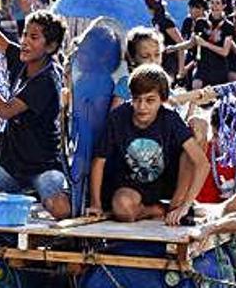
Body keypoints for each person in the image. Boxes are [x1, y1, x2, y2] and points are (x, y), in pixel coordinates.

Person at [0, 0, 71, 219]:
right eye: (24, 35)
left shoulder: (47, 81)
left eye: (33, 38)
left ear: (50, 47)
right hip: (13, 165)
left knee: (59, 208)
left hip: (43, 164)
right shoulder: (22, 59)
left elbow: (4, 111)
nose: (24, 42)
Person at [88, 64, 208, 224]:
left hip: (165, 182)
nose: (142, 107)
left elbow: (202, 164)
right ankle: (156, 210)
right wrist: (95, 204)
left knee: (197, 131)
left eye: (150, 100)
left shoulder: (170, 119)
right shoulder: (118, 117)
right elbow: (99, 161)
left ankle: (175, 205)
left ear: (162, 100)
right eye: (137, 100)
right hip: (130, 184)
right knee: (123, 209)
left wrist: (185, 206)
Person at [195, 104, 236, 204]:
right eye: (214, 135)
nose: (213, 140)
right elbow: (205, 200)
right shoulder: (207, 152)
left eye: (218, 136)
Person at [191, 0, 235, 89]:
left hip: (219, 67)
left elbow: (225, 52)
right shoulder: (200, 22)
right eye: (212, 2)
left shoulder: (228, 26)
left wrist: (205, 44)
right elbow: (191, 42)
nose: (214, 6)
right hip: (203, 66)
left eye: (218, 3)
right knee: (196, 87)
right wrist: (174, 48)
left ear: (224, 6)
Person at [112, 26, 164, 109]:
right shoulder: (126, 84)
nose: (153, 60)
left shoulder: (163, 83)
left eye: (157, 55)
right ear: (132, 59)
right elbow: (114, 116)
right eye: (145, 56)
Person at [144, 0, 185, 81]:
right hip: (161, 59)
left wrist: (181, 69)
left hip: (171, 60)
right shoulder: (155, 20)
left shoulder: (166, 21)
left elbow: (180, 43)